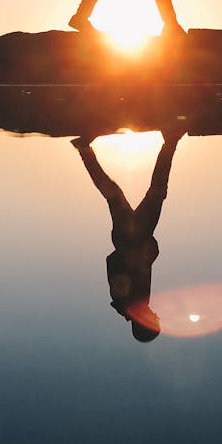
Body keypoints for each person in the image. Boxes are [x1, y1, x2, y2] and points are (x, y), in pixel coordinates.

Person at [71, 128, 184, 342]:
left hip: (131, 238)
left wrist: (136, 253)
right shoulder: (137, 304)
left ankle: (170, 141)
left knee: (146, 192)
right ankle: (170, 140)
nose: (157, 316)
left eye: (155, 321)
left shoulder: (127, 301)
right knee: (138, 193)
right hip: (135, 238)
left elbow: (113, 262)